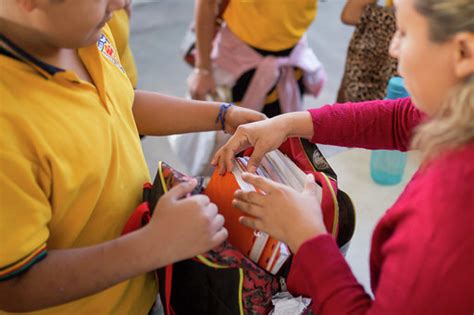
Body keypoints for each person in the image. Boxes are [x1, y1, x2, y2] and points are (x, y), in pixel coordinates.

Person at [0, 0, 265, 313]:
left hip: (139, 283)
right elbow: (14, 285)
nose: (123, 3)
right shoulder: (9, 126)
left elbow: (122, 102)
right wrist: (153, 245)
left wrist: (223, 115)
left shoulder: (84, 34)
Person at [212, 0, 474, 313]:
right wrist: (290, 123)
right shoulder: (456, 115)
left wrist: (306, 236)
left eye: (404, 32)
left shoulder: (447, 217)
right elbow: (402, 119)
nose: (393, 48)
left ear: (463, 53)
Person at [186, 0, 326, 118]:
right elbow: (207, 3)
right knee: (231, 141)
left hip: (290, 59)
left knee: (280, 142)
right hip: (238, 65)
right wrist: (203, 70)